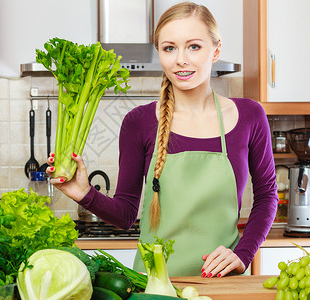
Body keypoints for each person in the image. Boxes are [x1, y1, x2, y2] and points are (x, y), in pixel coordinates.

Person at [46, 1, 278, 277]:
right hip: (153, 285)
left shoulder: (250, 115)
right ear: (160, 53)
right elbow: (126, 214)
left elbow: (267, 196)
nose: (181, 59)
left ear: (216, 50)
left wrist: (242, 254)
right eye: (170, 48)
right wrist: (84, 194)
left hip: (221, 282)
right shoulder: (139, 122)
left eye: (194, 46)